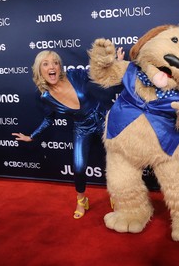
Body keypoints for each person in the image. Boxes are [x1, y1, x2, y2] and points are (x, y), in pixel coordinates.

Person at [12, 49, 124, 219]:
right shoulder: (45, 97)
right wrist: (32, 136)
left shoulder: (74, 75)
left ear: (60, 67)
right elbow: (48, 119)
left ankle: (116, 195)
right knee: (79, 167)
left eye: (55, 63)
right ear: (39, 70)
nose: (52, 66)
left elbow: (98, 73)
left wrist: (115, 64)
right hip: (82, 128)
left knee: (114, 159)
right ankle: (81, 200)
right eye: (46, 63)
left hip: (103, 120)